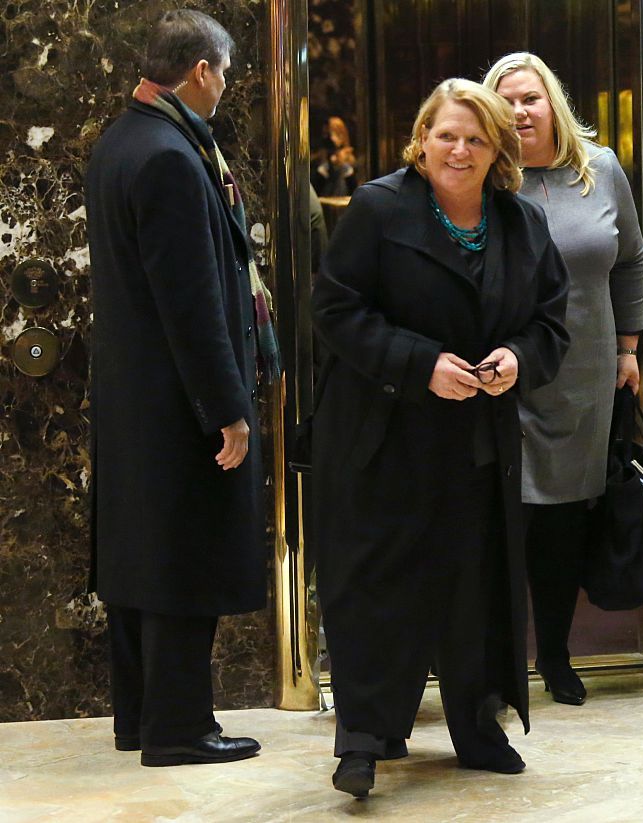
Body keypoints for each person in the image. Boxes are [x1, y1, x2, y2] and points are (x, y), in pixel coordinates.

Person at [311, 78, 569, 798]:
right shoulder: (377, 208)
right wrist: (420, 363)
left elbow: (550, 323)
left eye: (476, 139)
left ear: (497, 151)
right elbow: (333, 309)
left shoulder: (521, 224)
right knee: (376, 587)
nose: (459, 149)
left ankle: (478, 728)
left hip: (477, 442)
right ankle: (365, 738)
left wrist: (517, 358)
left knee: (474, 586)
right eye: (447, 134)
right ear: (421, 137)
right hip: (382, 437)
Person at [85, 10, 279, 766]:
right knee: (180, 558)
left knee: (141, 556)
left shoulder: (122, 139)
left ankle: (139, 716)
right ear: (201, 69)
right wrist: (227, 408)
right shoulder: (170, 155)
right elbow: (191, 303)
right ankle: (178, 727)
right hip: (177, 400)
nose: (225, 87)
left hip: (138, 396)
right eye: (224, 72)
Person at [483, 53, 643, 706]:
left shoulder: (601, 169)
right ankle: (500, 668)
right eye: (507, 102)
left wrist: (629, 347)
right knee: (505, 526)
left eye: (530, 98)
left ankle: (555, 655)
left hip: (585, 371)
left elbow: (631, 257)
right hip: (506, 372)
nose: (520, 111)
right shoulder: (489, 177)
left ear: (552, 101)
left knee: (562, 528)